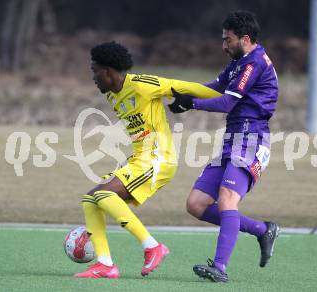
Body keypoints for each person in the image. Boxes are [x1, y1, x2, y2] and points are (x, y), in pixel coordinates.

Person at [75, 41, 221, 279]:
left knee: (103, 195)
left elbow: (188, 87)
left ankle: (152, 247)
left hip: (157, 158)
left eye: (95, 71)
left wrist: (230, 97)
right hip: (140, 159)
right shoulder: (113, 94)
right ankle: (104, 264)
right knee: (90, 200)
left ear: (109, 71)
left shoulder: (142, 85)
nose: (93, 78)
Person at [168, 11, 280, 282]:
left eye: (227, 39)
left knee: (228, 199)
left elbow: (226, 102)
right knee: (196, 204)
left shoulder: (253, 64)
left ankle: (219, 268)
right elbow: (216, 87)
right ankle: (262, 229)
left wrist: (191, 104)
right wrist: (179, 92)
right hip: (233, 141)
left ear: (244, 38)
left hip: (251, 140)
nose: (223, 45)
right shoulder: (239, 61)